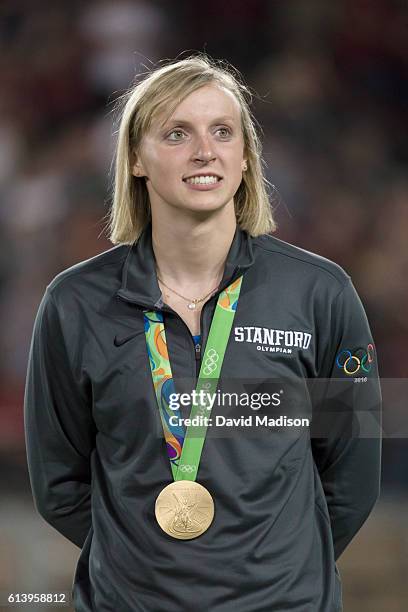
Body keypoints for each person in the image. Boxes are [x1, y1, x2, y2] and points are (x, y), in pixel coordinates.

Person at [24, 55, 382, 612]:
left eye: (222, 131)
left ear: (245, 159)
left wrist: (277, 564)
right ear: (137, 160)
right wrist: (140, 559)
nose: (204, 151)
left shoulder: (319, 294)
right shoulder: (75, 304)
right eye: (176, 133)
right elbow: (58, 484)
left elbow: (354, 474)